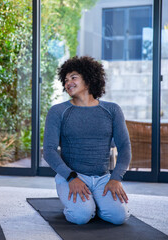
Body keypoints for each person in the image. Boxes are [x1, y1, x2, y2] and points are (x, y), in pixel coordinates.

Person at [43, 56, 131, 225]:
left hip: (103, 178)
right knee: (80, 216)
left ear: (89, 79)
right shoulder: (58, 111)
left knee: (119, 217)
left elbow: (124, 146)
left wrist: (116, 178)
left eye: (73, 77)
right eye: (65, 79)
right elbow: (49, 151)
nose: (68, 82)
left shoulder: (112, 110)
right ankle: (87, 206)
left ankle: (95, 203)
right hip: (71, 176)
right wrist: (71, 177)